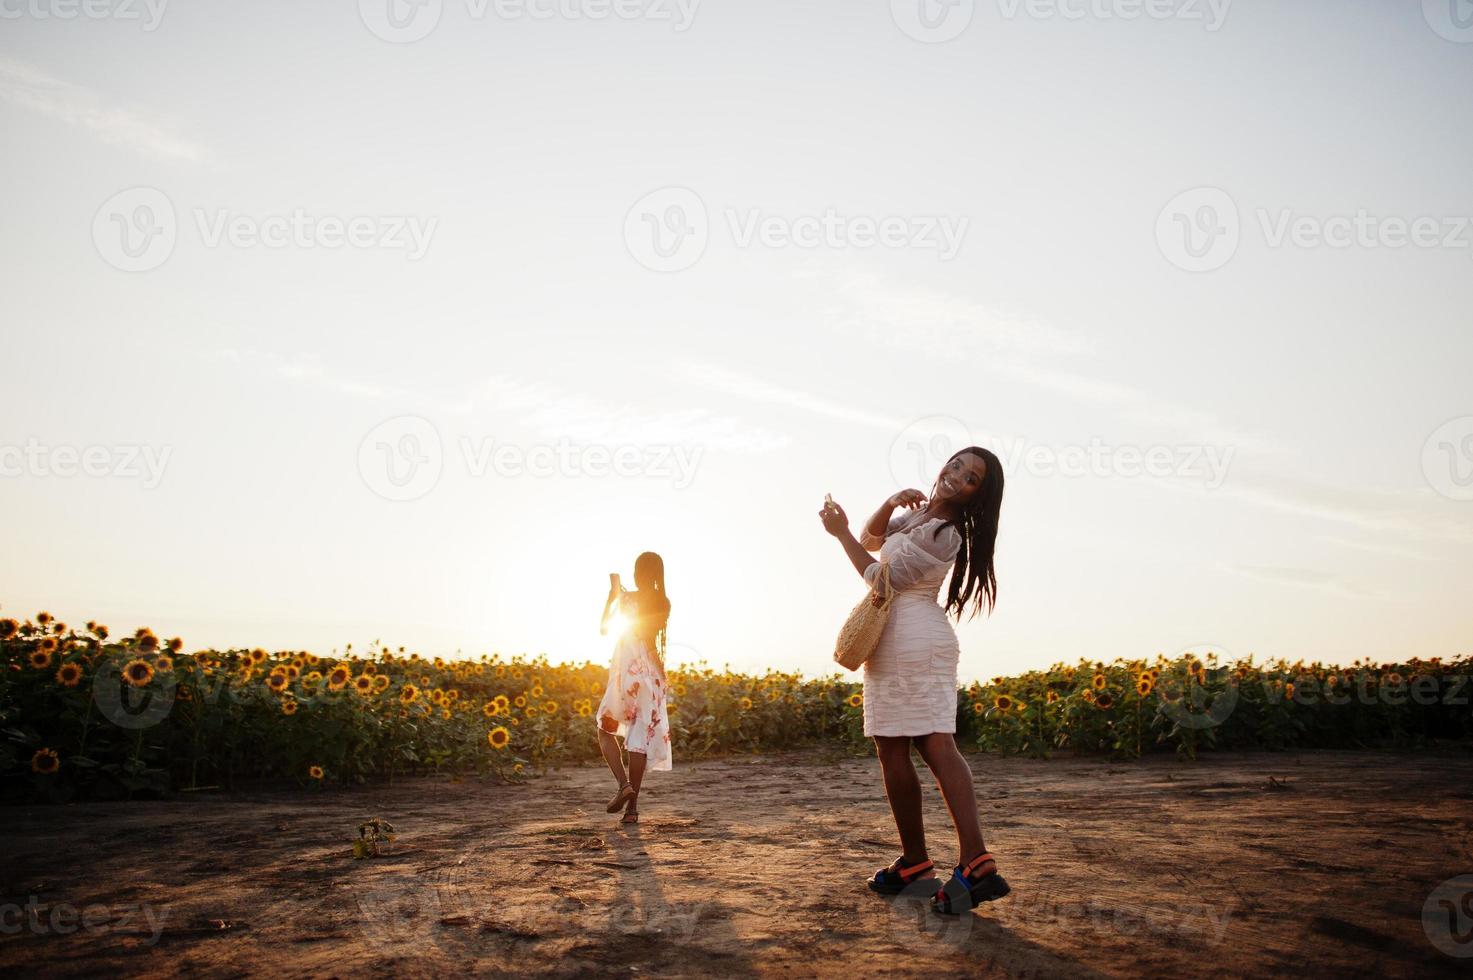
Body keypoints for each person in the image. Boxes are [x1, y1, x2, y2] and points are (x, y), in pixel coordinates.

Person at [819, 447, 1009, 914]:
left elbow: (882, 580)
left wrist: (839, 534)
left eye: (971, 478)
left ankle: (976, 861)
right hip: (897, 637)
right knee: (892, 746)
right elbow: (872, 538)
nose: (957, 476)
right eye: (957, 465)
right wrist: (888, 503)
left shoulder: (945, 534)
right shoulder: (921, 516)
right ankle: (916, 862)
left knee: (936, 745)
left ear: (976, 495)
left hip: (915, 639)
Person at [595, 551, 672, 825]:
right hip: (649, 676)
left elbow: (605, 628)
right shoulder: (663, 601)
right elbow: (651, 639)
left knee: (605, 729)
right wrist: (661, 671)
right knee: (638, 741)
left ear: (638, 572)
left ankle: (623, 785)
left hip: (626, 674)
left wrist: (613, 593)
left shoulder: (627, 599)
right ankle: (632, 811)